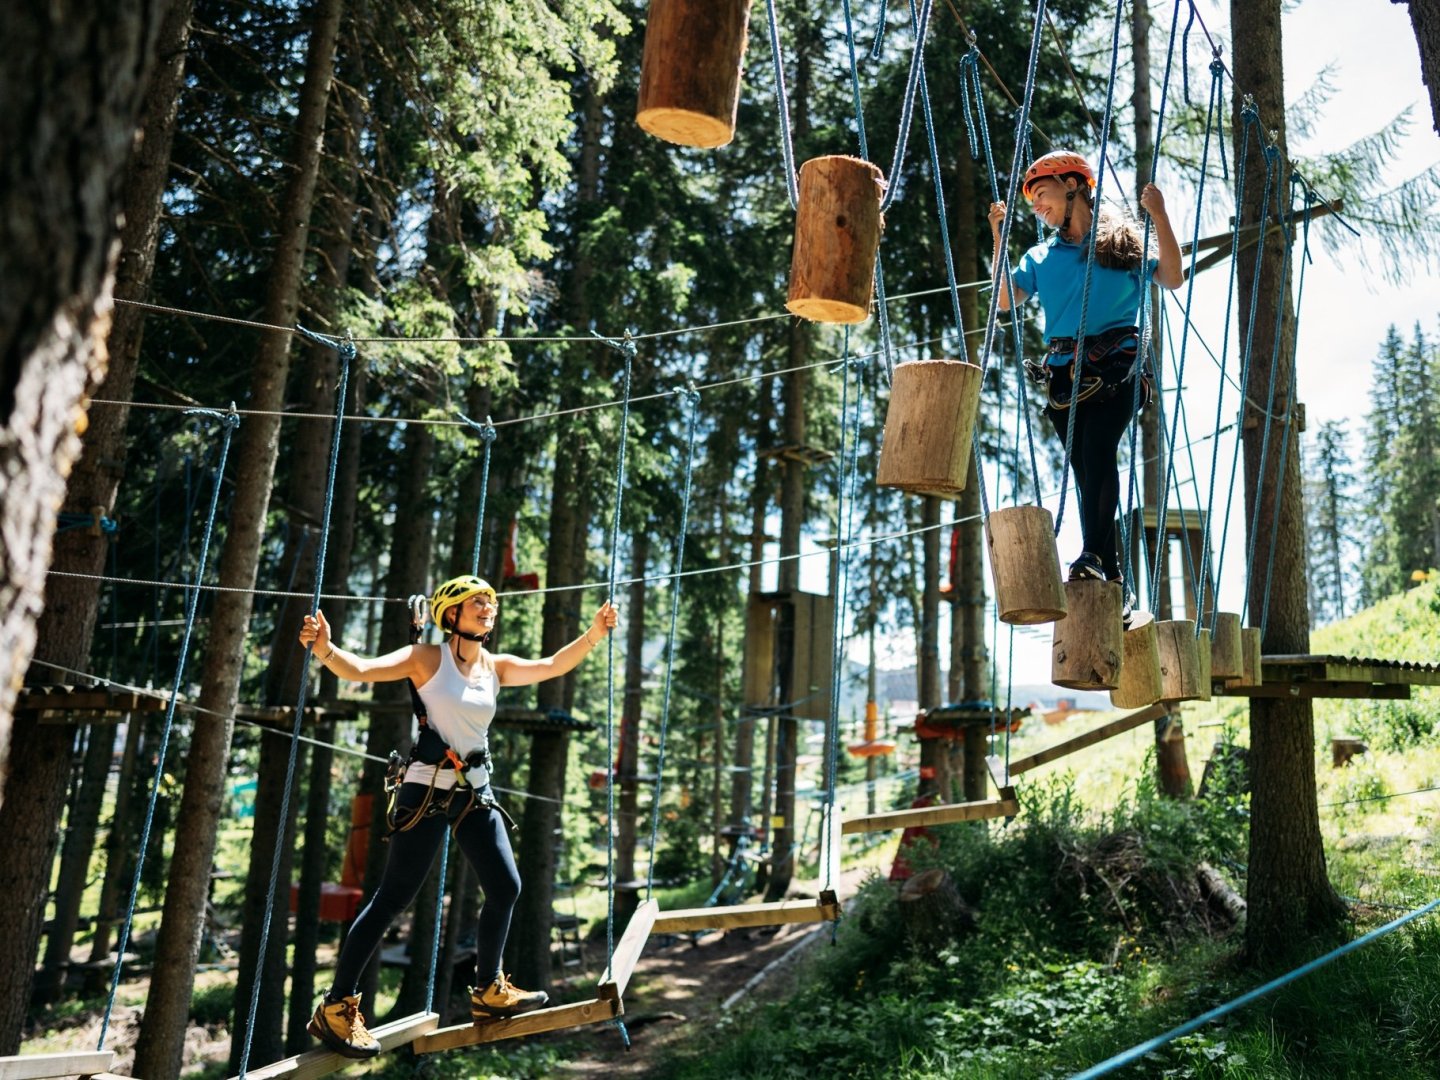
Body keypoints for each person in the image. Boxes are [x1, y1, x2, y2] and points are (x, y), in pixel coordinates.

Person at [300, 574, 619, 1058]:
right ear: (451, 614)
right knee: (392, 899)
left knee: (506, 886)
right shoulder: (426, 658)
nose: (488, 609)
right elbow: (360, 670)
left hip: (472, 790)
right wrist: (325, 649)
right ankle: (337, 1007)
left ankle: (489, 990)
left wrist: (595, 633)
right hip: (426, 790)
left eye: (490, 604)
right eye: (477, 604)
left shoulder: (496, 666)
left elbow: (554, 665)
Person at [989, 150, 1183, 622]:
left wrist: (1159, 216)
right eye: (1032, 199)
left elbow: (1173, 278)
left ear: (1074, 186)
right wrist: (997, 237)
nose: (1037, 205)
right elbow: (1003, 302)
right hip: (1064, 378)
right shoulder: (1040, 256)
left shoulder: (1121, 245)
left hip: (1119, 366)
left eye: (1043, 193)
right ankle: (1112, 573)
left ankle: (1093, 556)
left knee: (1096, 455)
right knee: (1085, 468)